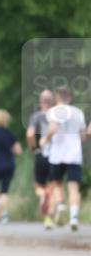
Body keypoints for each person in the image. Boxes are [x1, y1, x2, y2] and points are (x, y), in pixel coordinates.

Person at [40, 85, 87, 232]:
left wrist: (45, 140)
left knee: (57, 185)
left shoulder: (53, 111)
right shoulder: (78, 113)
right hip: (74, 155)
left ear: (56, 97)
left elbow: (53, 129)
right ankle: (74, 218)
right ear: (70, 98)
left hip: (57, 155)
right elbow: (83, 137)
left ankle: (61, 206)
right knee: (74, 188)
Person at [26, 90, 55, 228]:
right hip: (57, 156)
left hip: (41, 154)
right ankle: (49, 219)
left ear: (41, 102)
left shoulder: (36, 116)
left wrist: (34, 148)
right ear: (53, 101)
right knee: (54, 187)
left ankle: (43, 195)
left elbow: (30, 134)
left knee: (39, 185)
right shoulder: (58, 116)